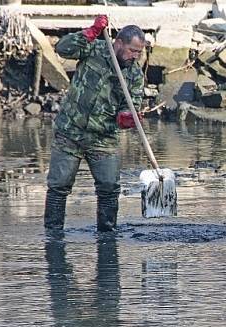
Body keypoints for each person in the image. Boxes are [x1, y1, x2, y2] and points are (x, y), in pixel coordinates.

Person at [44, 16, 146, 232]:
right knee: (59, 186)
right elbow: (63, 49)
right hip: (70, 131)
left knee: (109, 188)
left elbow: (133, 102)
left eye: (139, 52)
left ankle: (107, 235)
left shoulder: (135, 74)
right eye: (132, 50)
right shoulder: (94, 49)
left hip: (103, 137)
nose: (135, 57)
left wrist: (127, 117)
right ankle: (52, 234)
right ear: (118, 43)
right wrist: (89, 32)